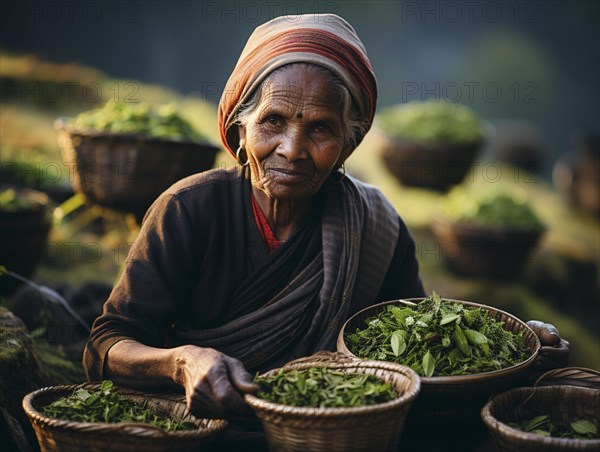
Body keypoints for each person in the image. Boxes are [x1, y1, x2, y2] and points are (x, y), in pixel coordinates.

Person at [83, 12, 569, 441]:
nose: (293, 148)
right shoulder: (189, 210)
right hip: (202, 429)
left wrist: (519, 352)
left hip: (331, 435)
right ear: (240, 128)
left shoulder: (377, 226)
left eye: (320, 128)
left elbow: (422, 356)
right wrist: (181, 360)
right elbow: (106, 345)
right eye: (273, 121)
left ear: (348, 144)